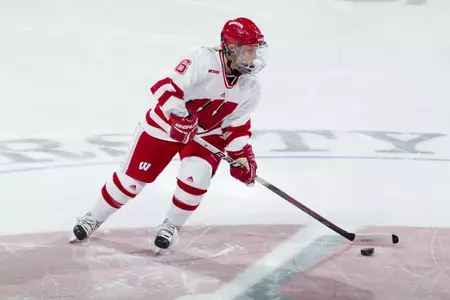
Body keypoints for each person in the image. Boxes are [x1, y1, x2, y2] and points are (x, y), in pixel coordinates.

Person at [71, 17, 268, 250]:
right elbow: (166, 86)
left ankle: (171, 226)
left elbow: (236, 126)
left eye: (255, 50)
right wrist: (179, 116)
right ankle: (93, 217)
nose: (253, 57)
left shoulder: (251, 87)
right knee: (131, 182)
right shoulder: (202, 60)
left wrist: (240, 156)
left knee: (197, 179)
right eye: (248, 50)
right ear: (231, 47)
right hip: (164, 125)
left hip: (206, 134)